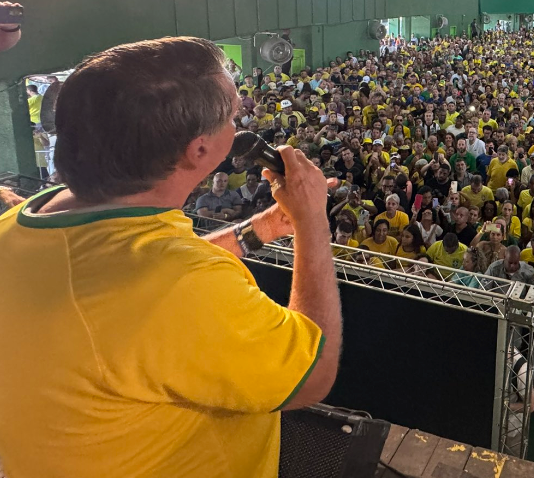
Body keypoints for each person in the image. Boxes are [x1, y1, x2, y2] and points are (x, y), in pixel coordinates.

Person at [0, 37, 341, 477]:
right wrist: (313, 219)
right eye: (233, 116)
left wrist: (258, 232)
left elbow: (135, 279)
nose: (239, 127)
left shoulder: (25, 222)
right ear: (199, 150)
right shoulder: (180, 284)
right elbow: (312, 374)